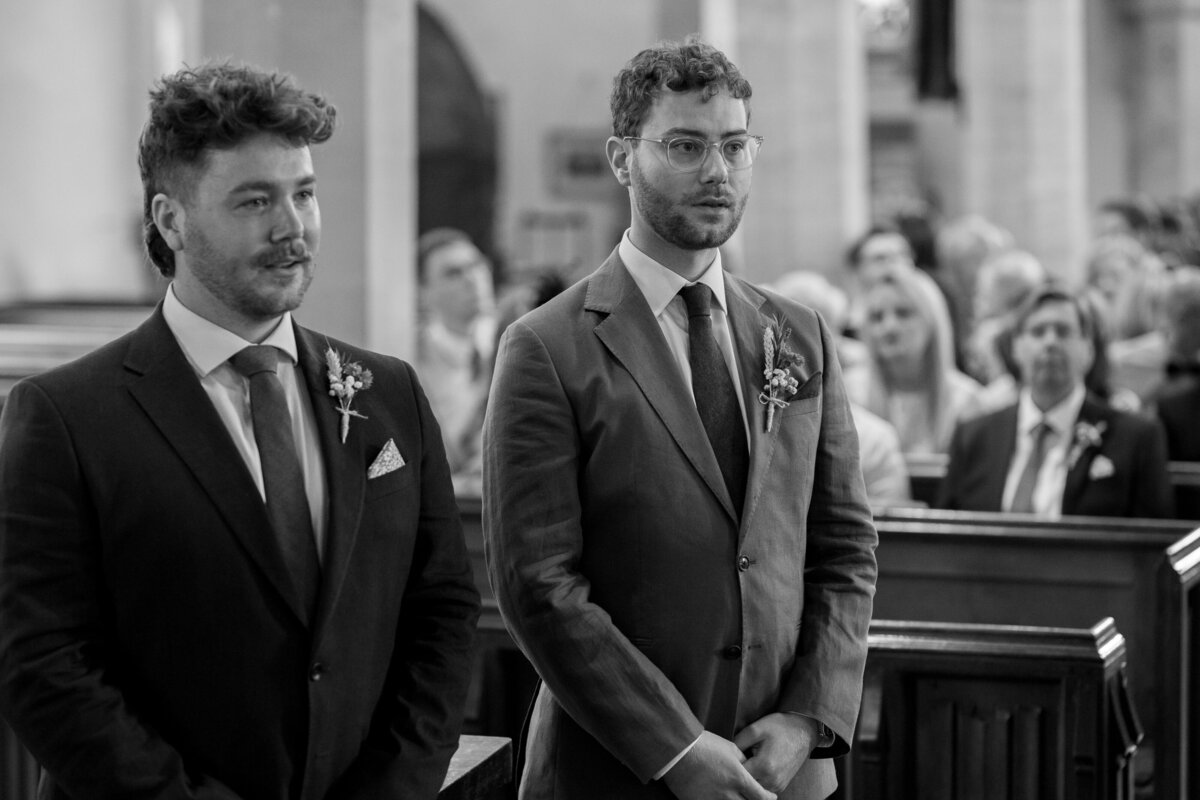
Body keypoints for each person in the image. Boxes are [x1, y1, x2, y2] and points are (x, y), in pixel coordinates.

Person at [0, 63, 480, 800]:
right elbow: (44, 663)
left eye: (305, 194)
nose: (293, 228)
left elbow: (440, 612)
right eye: (255, 201)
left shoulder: (389, 394)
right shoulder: (65, 418)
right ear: (170, 220)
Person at [483, 37, 878, 800]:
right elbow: (538, 584)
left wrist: (806, 718)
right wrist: (675, 747)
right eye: (686, 146)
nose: (718, 172)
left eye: (735, 145)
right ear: (621, 157)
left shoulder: (797, 333)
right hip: (618, 765)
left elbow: (844, 546)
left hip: (785, 765)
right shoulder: (547, 346)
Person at [939, 285, 1173, 518]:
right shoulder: (973, 436)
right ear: (1016, 348)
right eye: (1038, 331)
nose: (1050, 342)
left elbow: (1152, 544)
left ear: (1088, 350)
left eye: (1063, 331)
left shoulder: (1136, 438)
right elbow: (945, 537)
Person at [769, 269, 911, 507]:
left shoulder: (873, 440)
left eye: (815, 333)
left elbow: (891, 534)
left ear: (834, 342)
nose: (798, 351)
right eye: (787, 332)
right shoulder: (752, 423)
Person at [848, 266, 982, 454]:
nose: (889, 327)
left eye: (903, 313)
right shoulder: (850, 393)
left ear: (932, 320)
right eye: (877, 317)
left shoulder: (967, 400)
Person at [415, 227, 495, 495]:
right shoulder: (411, 362)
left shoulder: (516, 346)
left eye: (476, 265)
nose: (472, 279)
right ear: (424, 292)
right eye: (454, 273)